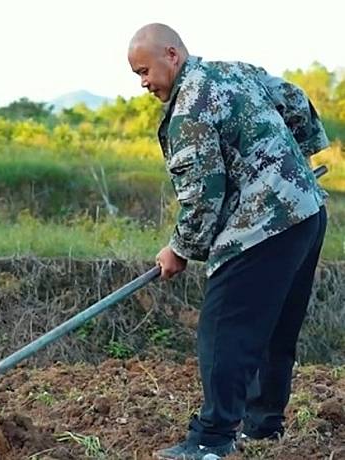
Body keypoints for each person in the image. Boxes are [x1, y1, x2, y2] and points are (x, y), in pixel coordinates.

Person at [127, 23, 329, 459]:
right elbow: (294, 100)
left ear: (172, 56)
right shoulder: (234, 72)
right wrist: (293, 164)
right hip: (307, 212)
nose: (143, 83)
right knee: (275, 330)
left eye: (145, 71)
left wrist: (179, 249)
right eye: (137, 75)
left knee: (223, 331)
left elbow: (202, 197)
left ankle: (210, 441)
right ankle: (263, 428)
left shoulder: (188, 112)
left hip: (261, 229)